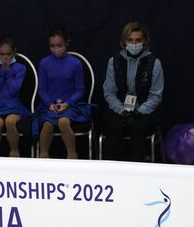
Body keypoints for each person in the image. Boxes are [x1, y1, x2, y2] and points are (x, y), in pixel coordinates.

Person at [102, 21, 163, 162]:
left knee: (137, 128)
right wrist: (122, 110)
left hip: (144, 111)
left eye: (138, 40)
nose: (134, 43)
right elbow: (109, 92)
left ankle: (138, 174)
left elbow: (156, 95)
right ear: (124, 41)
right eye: (130, 40)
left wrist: (139, 111)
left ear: (144, 41)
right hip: (120, 109)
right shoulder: (114, 61)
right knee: (112, 126)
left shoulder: (154, 63)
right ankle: (110, 173)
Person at [33, 27, 91, 159]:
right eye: (52, 46)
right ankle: (43, 158)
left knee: (63, 122)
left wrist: (68, 103)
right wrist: (49, 104)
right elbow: (42, 89)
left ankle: (72, 156)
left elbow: (80, 90)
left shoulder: (75, 63)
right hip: (49, 107)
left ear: (67, 43)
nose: (56, 49)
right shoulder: (44, 63)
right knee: (47, 125)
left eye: (59, 45)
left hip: (70, 106)